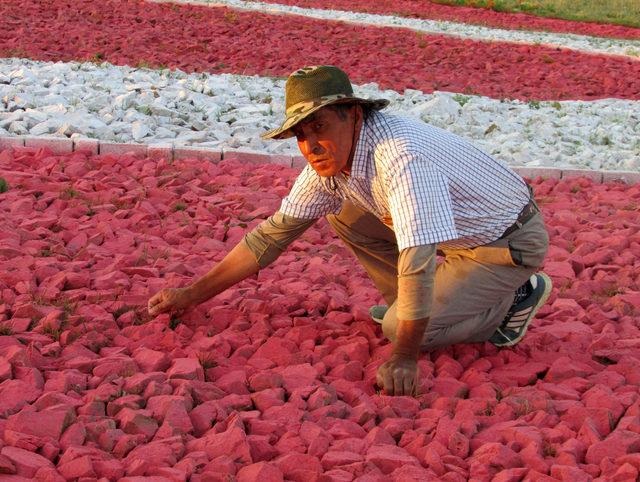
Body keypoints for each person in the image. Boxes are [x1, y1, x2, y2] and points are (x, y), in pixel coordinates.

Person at [148, 65, 551, 397]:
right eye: (300, 135)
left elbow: (418, 260)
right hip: (456, 234)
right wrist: (191, 294)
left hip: (504, 243)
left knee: (398, 329)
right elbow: (272, 236)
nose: (310, 146)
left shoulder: (401, 158)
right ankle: (412, 307)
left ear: (353, 114)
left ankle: (514, 296)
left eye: (318, 126)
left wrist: (405, 356)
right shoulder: (332, 163)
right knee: (345, 214)